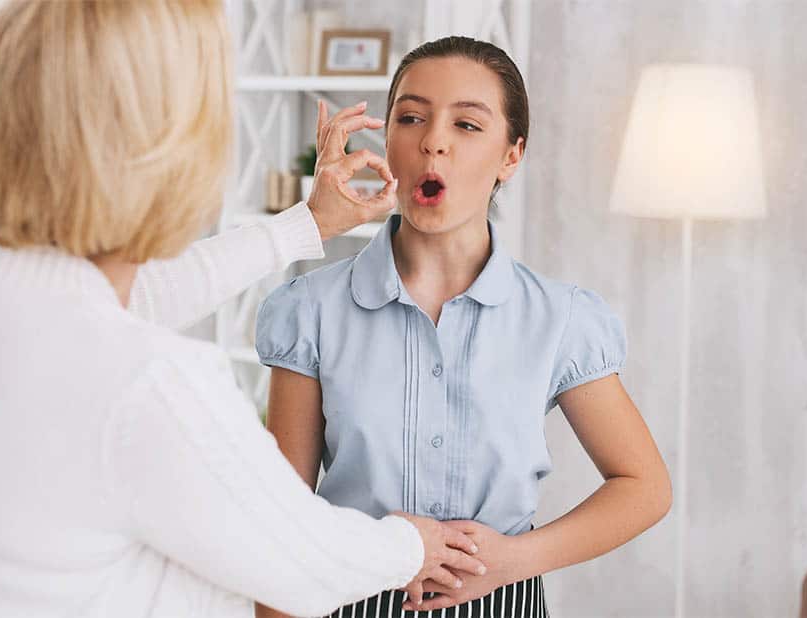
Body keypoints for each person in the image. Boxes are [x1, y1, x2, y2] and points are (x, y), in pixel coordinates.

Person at [0, 3, 487, 617]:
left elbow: (127, 298)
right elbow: (307, 564)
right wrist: (413, 543)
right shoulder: (143, 383)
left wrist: (308, 223)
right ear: (167, 147)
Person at [255, 36, 673, 617]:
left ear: (511, 155)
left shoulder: (561, 319)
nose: (433, 141)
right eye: (411, 117)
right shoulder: (310, 311)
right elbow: (282, 521)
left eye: (468, 125)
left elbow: (643, 487)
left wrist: (517, 558)